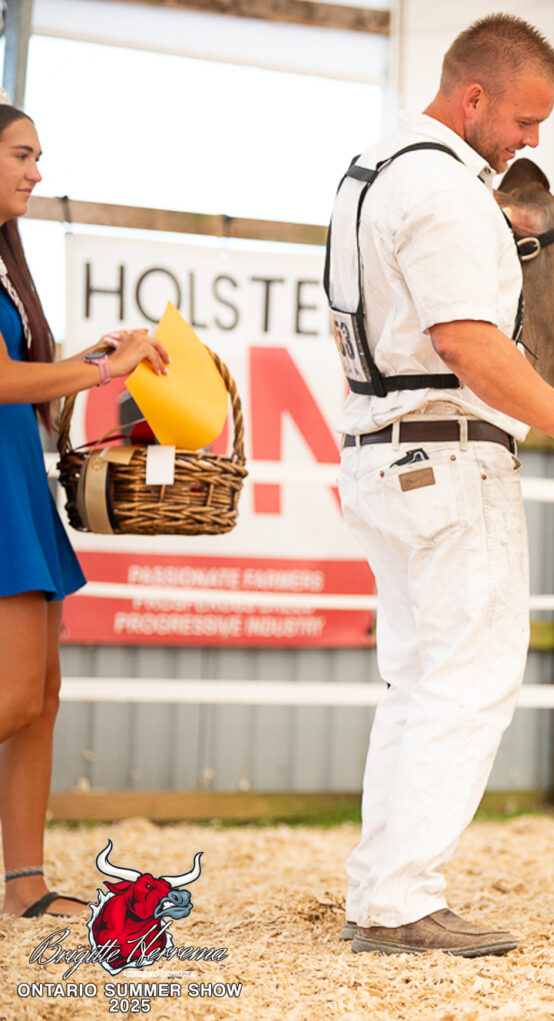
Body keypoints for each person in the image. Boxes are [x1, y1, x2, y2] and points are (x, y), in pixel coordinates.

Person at [327, 15, 554, 957]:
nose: (531, 140)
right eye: (525, 120)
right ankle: (404, 897)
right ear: (474, 95)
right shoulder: (445, 188)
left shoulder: (370, 171)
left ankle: (382, 889)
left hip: (382, 449)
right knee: (470, 678)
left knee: (416, 679)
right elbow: (466, 340)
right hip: (446, 454)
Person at [0, 105, 170, 919]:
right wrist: (104, 371)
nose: (36, 171)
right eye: (21, 154)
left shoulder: (7, 265)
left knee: (43, 693)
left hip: (17, 481)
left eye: (38, 156)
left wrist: (90, 360)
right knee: (12, 696)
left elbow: (23, 375)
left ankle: (24, 886)